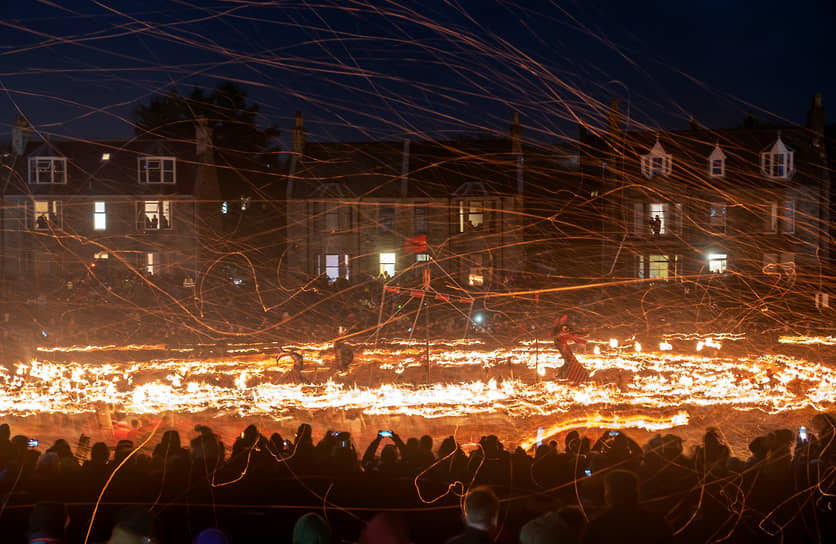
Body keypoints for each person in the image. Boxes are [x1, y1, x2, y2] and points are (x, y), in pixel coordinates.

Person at [583, 469, 673, 544]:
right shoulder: (657, 522)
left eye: (606, 490)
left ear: (609, 494)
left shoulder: (598, 525)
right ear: (636, 492)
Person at [551, 315, 589, 384]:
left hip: (564, 348)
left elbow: (573, 336)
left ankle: (562, 375)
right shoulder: (560, 338)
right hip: (563, 348)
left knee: (568, 361)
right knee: (568, 361)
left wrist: (581, 339)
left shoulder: (563, 338)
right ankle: (563, 376)